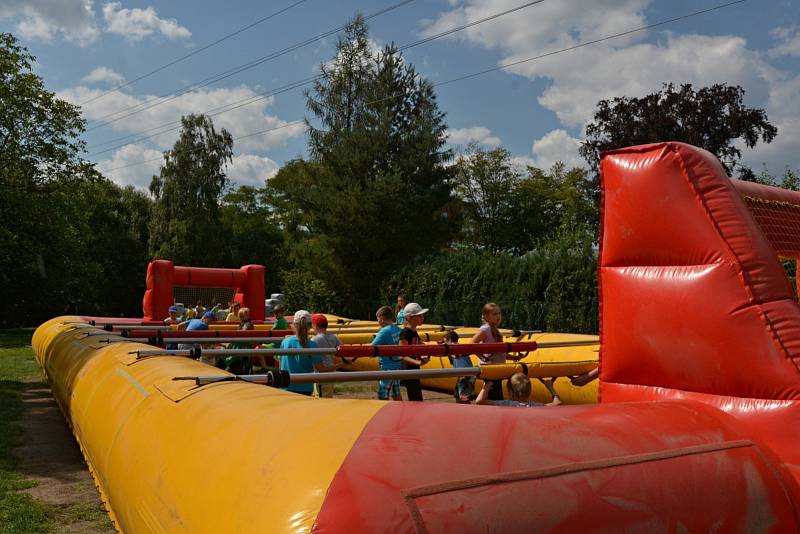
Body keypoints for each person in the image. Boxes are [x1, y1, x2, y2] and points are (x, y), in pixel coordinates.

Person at [278, 310, 339, 396]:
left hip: (285, 386)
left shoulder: (285, 342)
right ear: (310, 326)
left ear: (294, 325)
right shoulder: (312, 345)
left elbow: (280, 366)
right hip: (304, 388)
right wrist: (340, 365)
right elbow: (321, 369)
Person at [470, 303, 519, 401]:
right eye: (494, 314)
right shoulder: (486, 329)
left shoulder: (495, 330)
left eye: (499, 313)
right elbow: (471, 344)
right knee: (493, 398)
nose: (498, 316)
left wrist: (514, 357)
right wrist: (482, 357)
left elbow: (499, 353)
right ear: (486, 317)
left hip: (497, 369)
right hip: (491, 369)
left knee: (495, 397)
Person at [398, 302, 430, 402]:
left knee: (416, 397)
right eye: (419, 316)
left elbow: (420, 345)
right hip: (408, 369)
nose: (422, 317)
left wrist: (421, 358)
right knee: (415, 398)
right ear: (409, 318)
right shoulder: (405, 332)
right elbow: (401, 355)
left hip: (413, 368)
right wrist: (418, 362)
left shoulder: (413, 331)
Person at [476, 373, 561, 407]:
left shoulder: (506, 404)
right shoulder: (533, 406)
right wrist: (551, 388)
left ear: (510, 393)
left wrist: (487, 385)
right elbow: (557, 404)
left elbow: (479, 401)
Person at [372, 306, 403, 401]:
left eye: (378, 319)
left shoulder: (384, 332)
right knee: (396, 392)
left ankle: (386, 414)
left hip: (387, 367)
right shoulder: (398, 329)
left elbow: (371, 348)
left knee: (383, 394)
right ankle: (402, 413)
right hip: (397, 366)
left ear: (381, 318)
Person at [311, 314, 340, 398]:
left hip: (320, 375)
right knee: (328, 397)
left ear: (315, 326)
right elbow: (342, 348)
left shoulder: (315, 339)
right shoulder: (333, 337)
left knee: (320, 399)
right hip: (331, 371)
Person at [444, 330, 475, 403]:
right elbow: (453, 361)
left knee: (463, 397)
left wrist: (446, 351)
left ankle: (465, 411)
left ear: (450, 340)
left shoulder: (456, 347)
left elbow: (456, 356)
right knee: (458, 395)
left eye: (446, 341)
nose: (445, 344)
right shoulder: (456, 348)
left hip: (466, 375)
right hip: (463, 375)